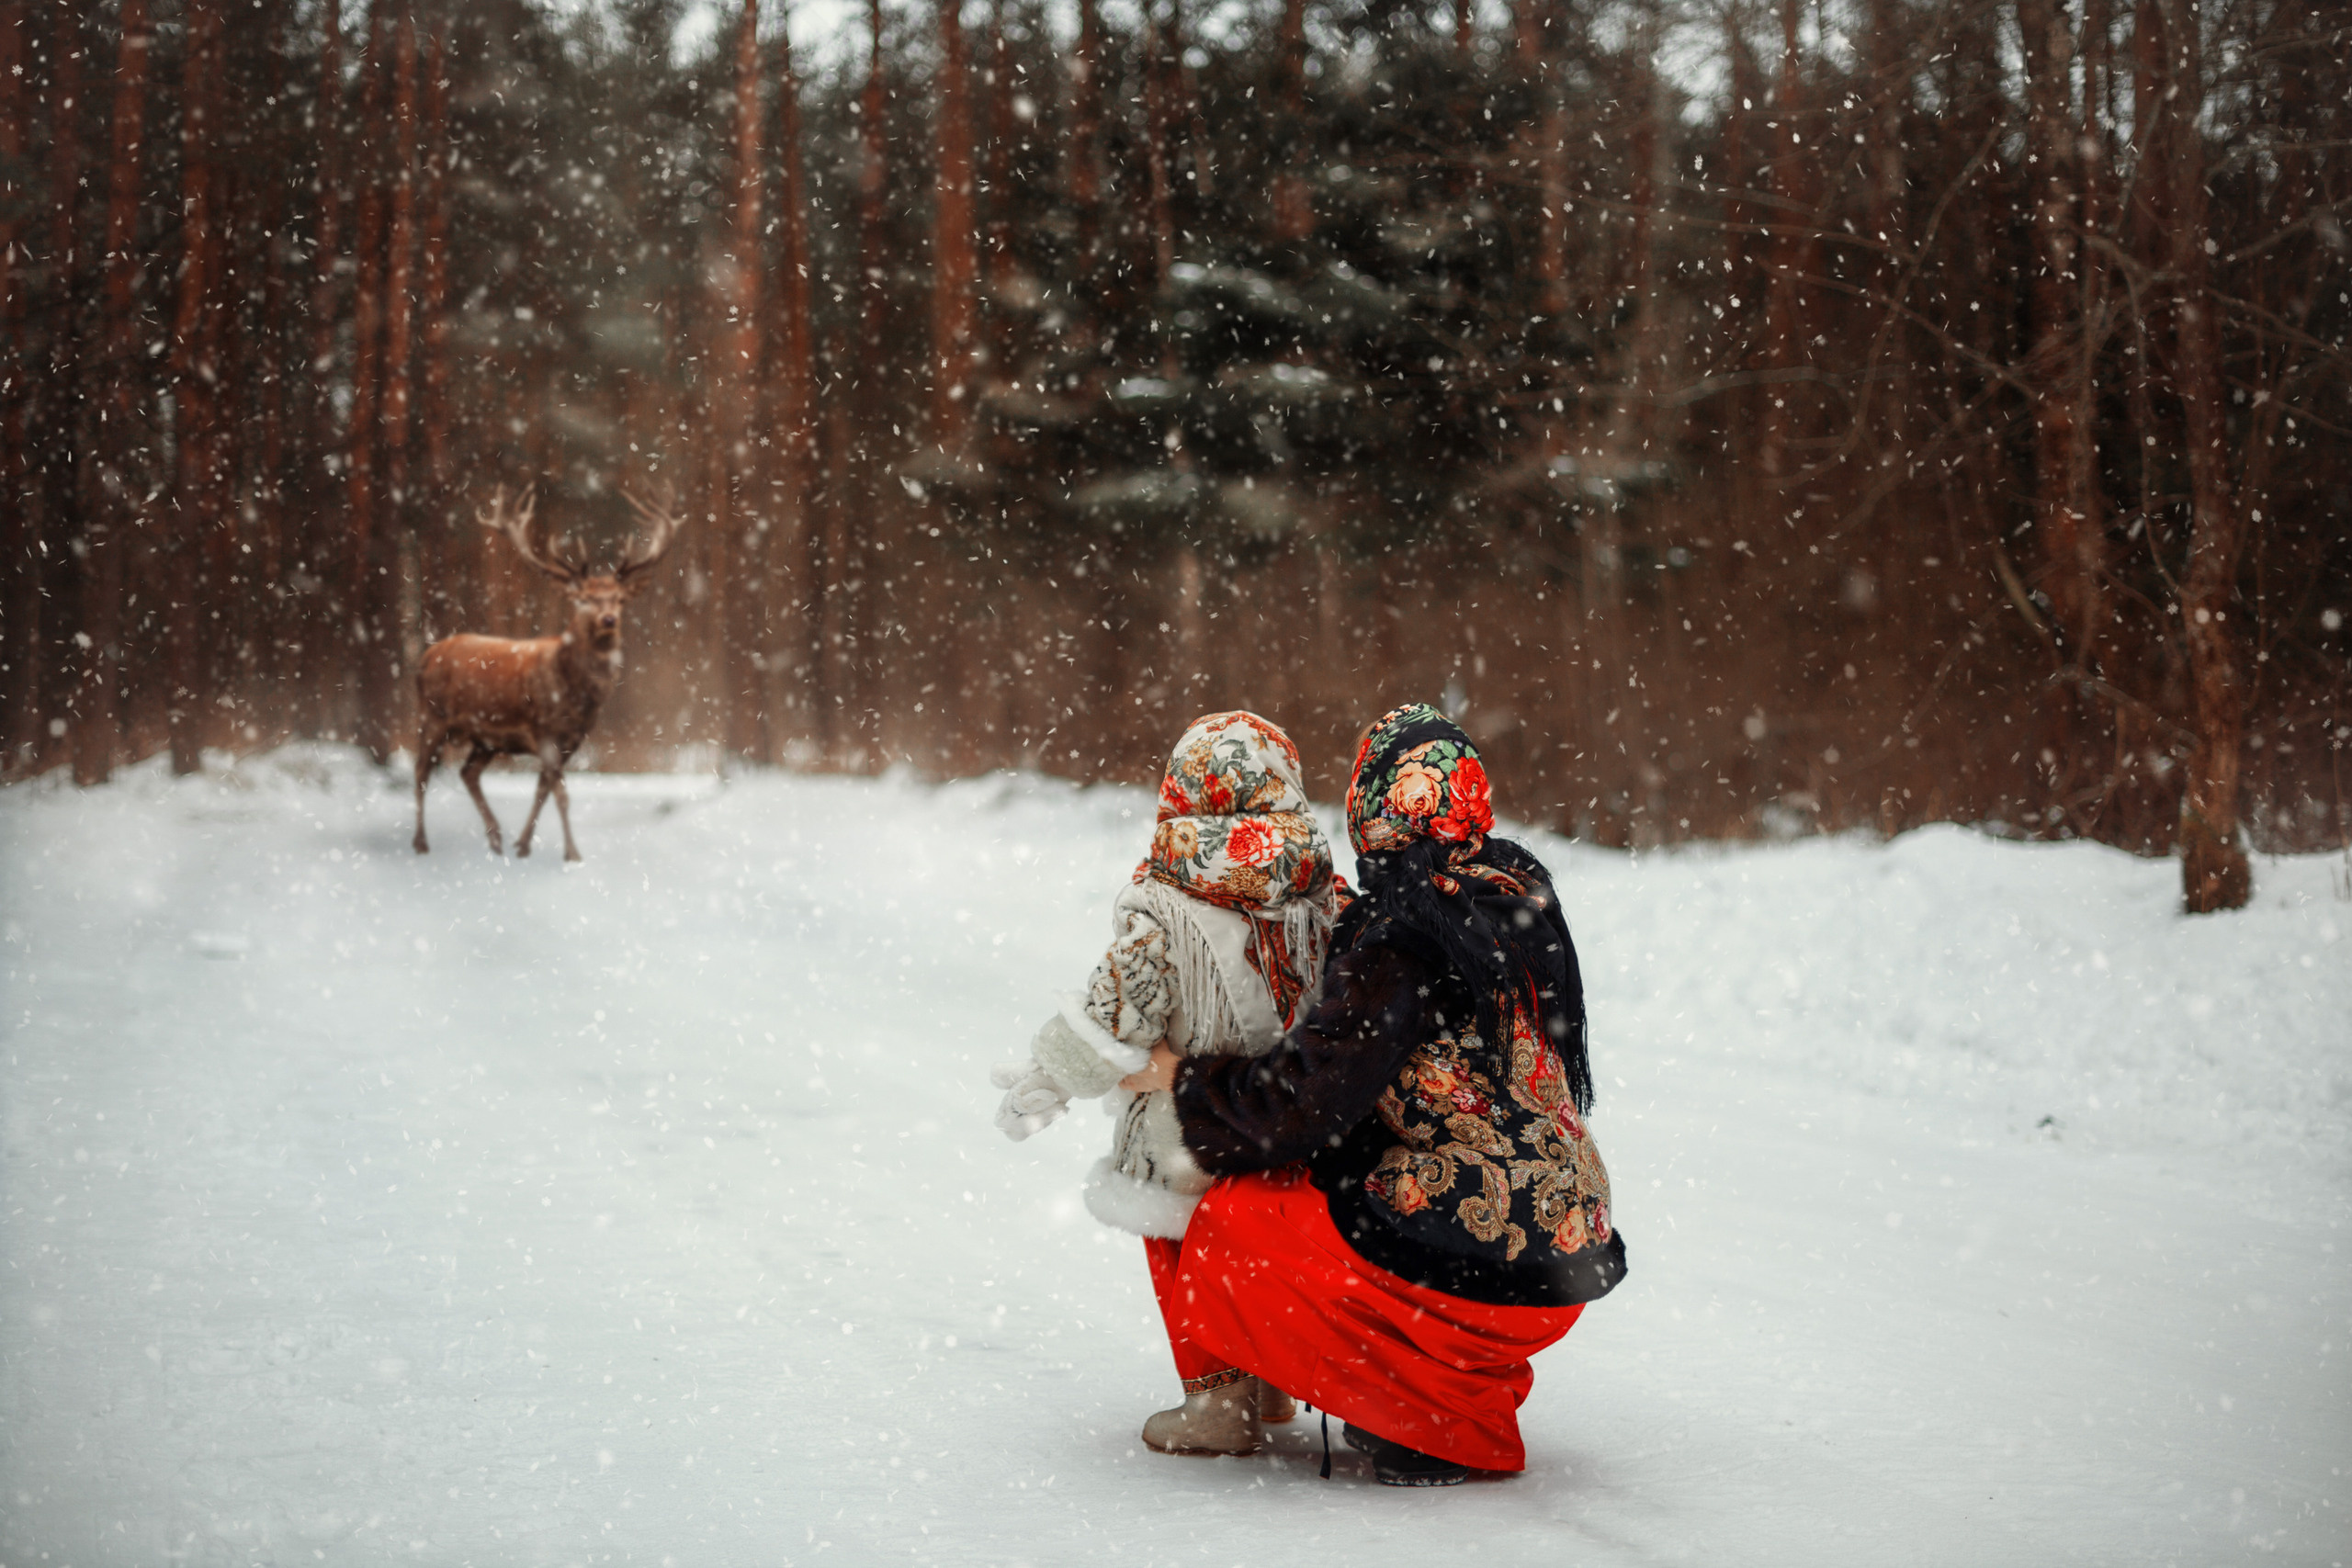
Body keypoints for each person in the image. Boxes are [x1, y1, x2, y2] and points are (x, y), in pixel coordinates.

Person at [1114, 702, 1626, 1485]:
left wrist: (1181, 1081)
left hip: (1477, 1259)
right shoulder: (1509, 895)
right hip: (1566, 1251)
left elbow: (1298, 1107)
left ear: (1370, 804)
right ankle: (1445, 1399)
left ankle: (1419, 1408)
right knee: (1382, 1190)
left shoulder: (1402, 936)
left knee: (1235, 1214)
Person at [989, 710, 1344, 1451]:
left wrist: (1050, 1075)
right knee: (1265, 1247)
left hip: (1189, 1128)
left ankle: (1219, 1399)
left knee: (1180, 1245)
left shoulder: (1165, 903)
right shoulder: (1319, 892)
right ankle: (1271, 1379)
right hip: (1289, 1112)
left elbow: (1116, 1009)